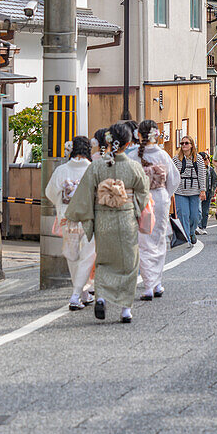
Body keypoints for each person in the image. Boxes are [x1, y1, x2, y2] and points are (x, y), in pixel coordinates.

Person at [65, 121, 150, 324]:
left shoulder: (97, 166)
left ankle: (101, 297)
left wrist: (87, 215)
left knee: (103, 260)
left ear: (109, 141)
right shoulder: (133, 166)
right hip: (126, 217)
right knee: (129, 263)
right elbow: (143, 192)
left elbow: (85, 192)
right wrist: (134, 207)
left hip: (103, 218)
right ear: (128, 142)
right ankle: (125, 310)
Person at [46, 135, 96, 311]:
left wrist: (61, 205)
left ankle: (81, 293)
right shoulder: (93, 169)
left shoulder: (62, 170)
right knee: (87, 257)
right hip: (88, 219)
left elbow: (50, 192)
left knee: (72, 256)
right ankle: (78, 293)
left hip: (68, 219)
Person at [135, 120, 180, 300]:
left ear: (139, 135)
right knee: (159, 240)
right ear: (156, 134)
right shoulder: (163, 155)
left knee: (143, 240)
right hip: (160, 199)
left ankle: (148, 284)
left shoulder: (133, 155)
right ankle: (157, 283)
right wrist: (165, 194)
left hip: (141, 199)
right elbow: (174, 180)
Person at [172, 135, 207, 245]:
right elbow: (172, 175)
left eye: (186, 143)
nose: (184, 145)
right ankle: (186, 238)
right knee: (183, 214)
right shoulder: (176, 159)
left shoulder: (199, 159)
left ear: (191, 145)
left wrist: (203, 190)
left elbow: (202, 175)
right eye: (182, 143)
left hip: (194, 191)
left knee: (195, 216)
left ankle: (192, 232)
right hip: (180, 192)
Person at [197, 150, 216, 235]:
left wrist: (213, 190)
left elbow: (214, 180)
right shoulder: (197, 169)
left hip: (208, 192)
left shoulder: (210, 169)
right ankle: (197, 226)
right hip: (199, 192)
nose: (207, 160)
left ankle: (203, 227)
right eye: (205, 159)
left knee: (205, 211)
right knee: (198, 210)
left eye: (208, 158)